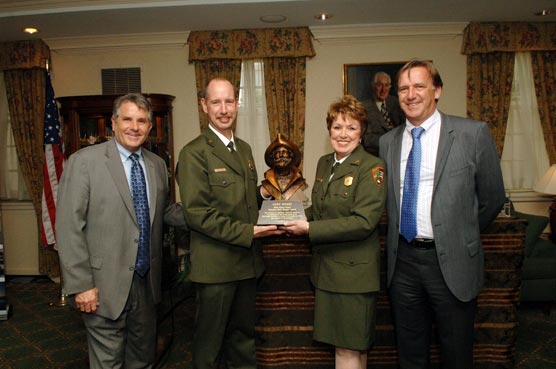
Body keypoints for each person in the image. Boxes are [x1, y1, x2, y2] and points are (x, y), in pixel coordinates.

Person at [378, 59, 506, 369]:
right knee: (410, 351)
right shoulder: (387, 142)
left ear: (437, 91)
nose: (411, 95)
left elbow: (492, 198)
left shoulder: (471, 133)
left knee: (456, 350)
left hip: (452, 261)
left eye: (419, 86)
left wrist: (459, 234)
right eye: (404, 88)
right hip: (403, 262)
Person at [56, 93, 185, 368]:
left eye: (142, 121)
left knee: (142, 359)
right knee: (108, 363)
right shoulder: (84, 162)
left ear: (150, 127)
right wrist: (81, 286)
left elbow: (162, 212)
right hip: (102, 286)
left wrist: (212, 216)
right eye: (127, 119)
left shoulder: (157, 165)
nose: (134, 127)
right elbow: (68, 227)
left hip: (146, 284)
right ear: (113, 124)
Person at [177, 77, 283, 369]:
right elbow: (198, 214)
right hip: (216, 269)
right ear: (204, 105)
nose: (223, 109)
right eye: (216, 102)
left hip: (247, 265)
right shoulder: (193, 153)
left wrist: (265, 193)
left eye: (229, 102)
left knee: (244, 340)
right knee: (209, 345)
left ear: (237, 104)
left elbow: (245, 201)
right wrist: (250, 231)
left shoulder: (244, 149)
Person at [282, 95, 387, 369]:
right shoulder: (324, 163)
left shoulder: (372, 167)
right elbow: (320, 210)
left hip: (353, 276)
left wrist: (309, 228)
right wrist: (284, 217)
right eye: (337, 127)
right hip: (327, 271)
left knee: (349, 350)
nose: (343, 134)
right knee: (349, 348)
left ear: (362, 131)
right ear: (329, 129)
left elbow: (363, 222)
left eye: (351, 127)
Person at [362, 71, 405, 156]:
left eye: (386, 85)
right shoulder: (364, 108)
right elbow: (367, 139)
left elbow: (405, 126)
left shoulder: (396, 102)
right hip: (376, 155)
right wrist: (392, 141)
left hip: (399, 153)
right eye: (379, 85)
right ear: (373, 86)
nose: (383, 89)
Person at [261, 133, 308, 202]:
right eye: (277, 153)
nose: (281, 155)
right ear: (273, 157)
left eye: (284, 152)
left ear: (291, 155)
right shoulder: (268, 182)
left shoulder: (299, 180)